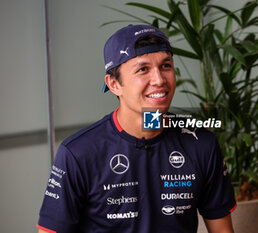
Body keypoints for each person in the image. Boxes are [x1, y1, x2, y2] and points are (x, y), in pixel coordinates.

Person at [37, 24, 236, 233]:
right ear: (114, 84)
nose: (159, 80)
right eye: (143, 70)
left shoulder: (202, 144)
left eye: (166, 66)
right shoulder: (77, 154)